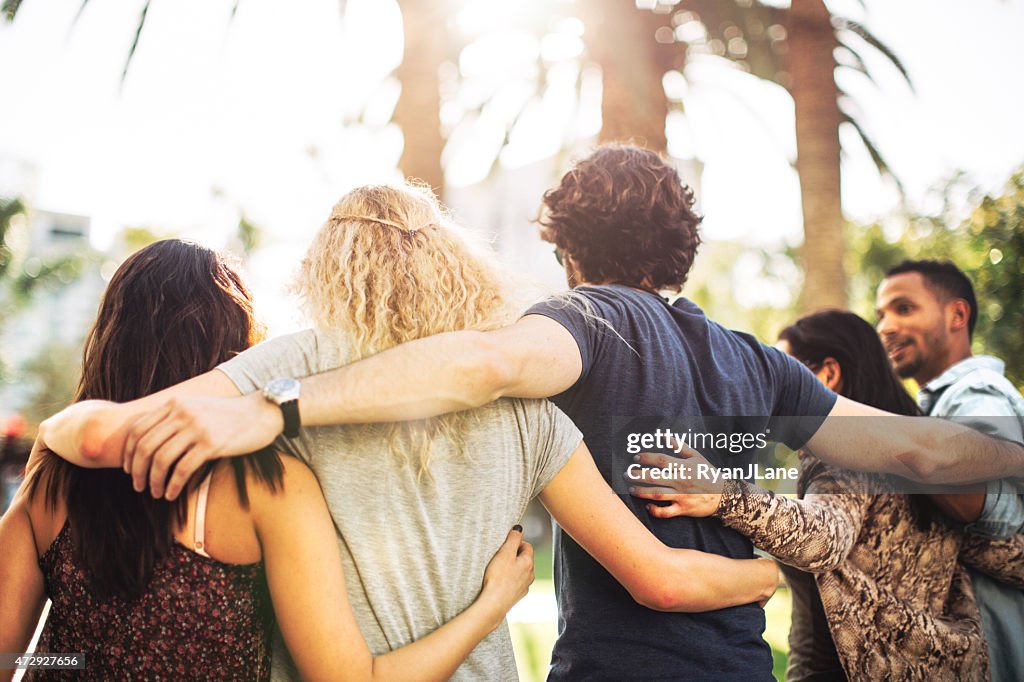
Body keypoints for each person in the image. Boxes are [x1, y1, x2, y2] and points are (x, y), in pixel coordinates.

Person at [40, 149, 1024, 678]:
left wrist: (284, 404)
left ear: (563, 250)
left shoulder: (582, 323)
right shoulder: (746, 360)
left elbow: (484, 360)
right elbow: (913, 446)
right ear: (682, 246)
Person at [37, 189, 779, 681]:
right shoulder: (528, 413)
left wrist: (59, 423)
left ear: (329, 270)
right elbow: (660, 577)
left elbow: (102, 437)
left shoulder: (292, 369)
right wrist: (768, 576)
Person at [0, 239, 538, 682]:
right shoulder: (268, 486)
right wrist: (492, 604)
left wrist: (75, 664)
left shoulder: (53, 480)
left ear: (112, 340)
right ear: (239, 353)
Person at [630, 309, 1024, 680]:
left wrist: (724, 494)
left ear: (828, 374)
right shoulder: (912, 456)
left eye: (784, 371)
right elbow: (1006, 555)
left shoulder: (845, 454)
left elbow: (824, 539)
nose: (771, 390)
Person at [876, 259, 1024, 682]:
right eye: (881, 314)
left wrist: (882, 437)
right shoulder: (937, 406)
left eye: (903, 309)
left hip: (994, 654)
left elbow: (977, 504)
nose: (885, 326)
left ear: (957, 315)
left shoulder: (975, 395)